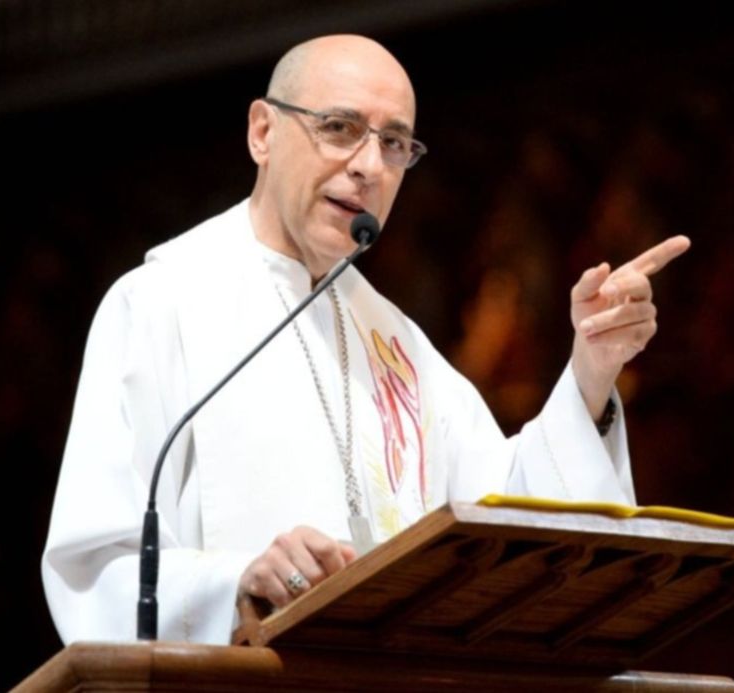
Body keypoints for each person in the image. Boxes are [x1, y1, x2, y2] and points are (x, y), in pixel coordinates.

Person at [41, 34, 689, 645]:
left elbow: (507, 523)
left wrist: (591, 372)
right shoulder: (161, 304)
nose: (369, 167)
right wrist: (234, 582)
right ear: (263, 132)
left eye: (395, 144)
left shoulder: (396, 344)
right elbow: (98, 566)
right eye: (340, 128)